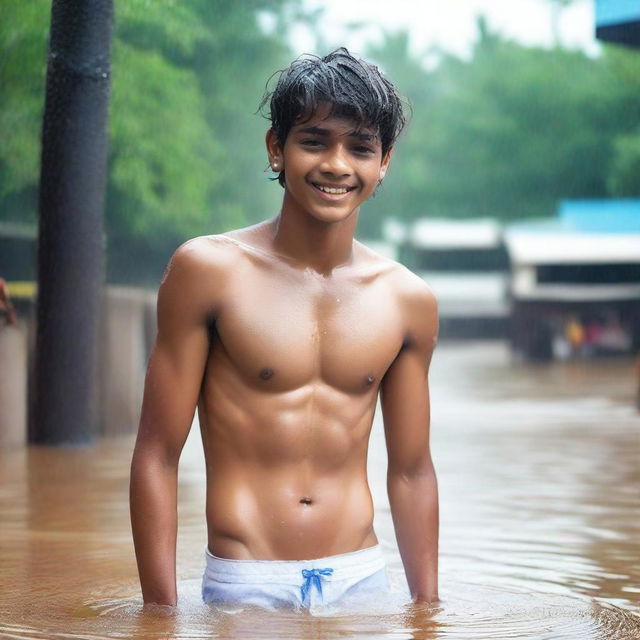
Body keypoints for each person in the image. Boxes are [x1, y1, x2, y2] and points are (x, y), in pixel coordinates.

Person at [130, 48, 439, 611]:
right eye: (315, 141)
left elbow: (413, 470)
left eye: (360, 147)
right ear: (277, 147)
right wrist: (160, 614)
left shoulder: (407, 300)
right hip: (248, 580)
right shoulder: (209, 272)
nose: (337, 165)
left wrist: (428, 611)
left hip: (361, 580)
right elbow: (156, 453)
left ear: (384, 161)